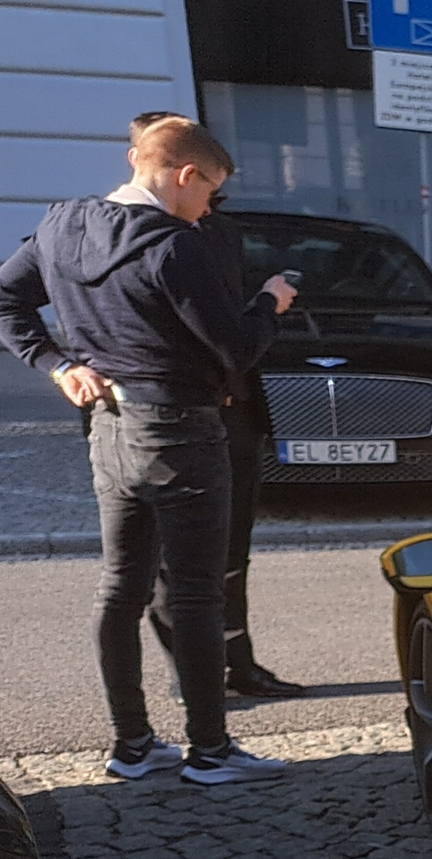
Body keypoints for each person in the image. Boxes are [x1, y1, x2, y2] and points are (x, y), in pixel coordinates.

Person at [0, 116, 298, 784]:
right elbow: (236, 347)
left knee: (121, 588)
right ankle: (209, 752)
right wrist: (270, 302)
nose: (209, 207)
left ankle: (132, 746)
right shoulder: (174, 247)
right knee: (196, 595)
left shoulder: (63, 224)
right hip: (181, 428)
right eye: (209, 191)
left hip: (108, 425)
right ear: (185, 175)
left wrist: (58, 364)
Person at [124, 113, 308, 700]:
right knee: (170, 560)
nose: (208, 199)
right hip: (165, 414)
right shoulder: (123, 231)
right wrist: (65, 364)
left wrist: (263, 308)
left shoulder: (220, 232)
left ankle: (238, 663)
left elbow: (233, 322)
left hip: (234, 411)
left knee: (231, 549)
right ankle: (193, 673)